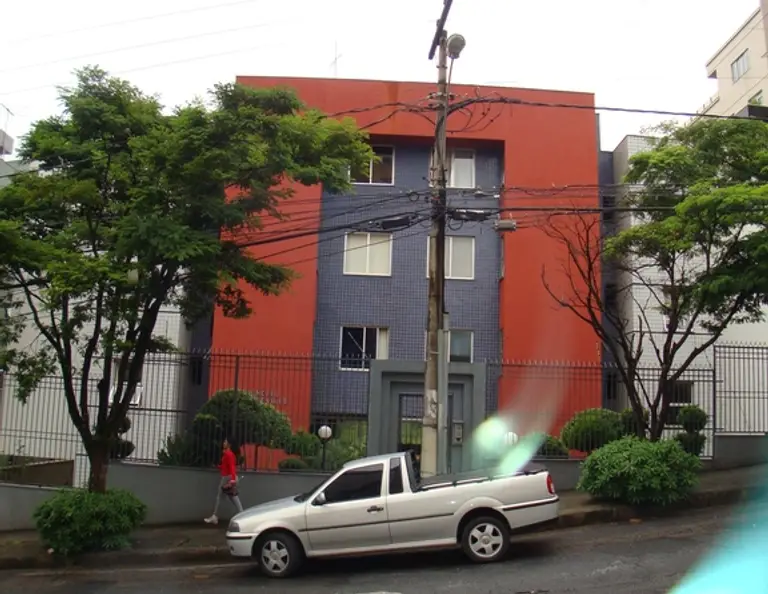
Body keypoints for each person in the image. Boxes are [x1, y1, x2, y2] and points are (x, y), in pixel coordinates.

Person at [204, 438, 243, 525]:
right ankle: (242, 514)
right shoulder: (228, 454)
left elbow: (232, 467)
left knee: (220, 497)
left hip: (227, 477)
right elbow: (225, 466)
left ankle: (215, 516)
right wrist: (218, 466)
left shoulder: (229, 454)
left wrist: (232, 479)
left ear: (229, 444)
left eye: (225, 442)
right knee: (233, 497)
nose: (223, 443)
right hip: (229, 477)